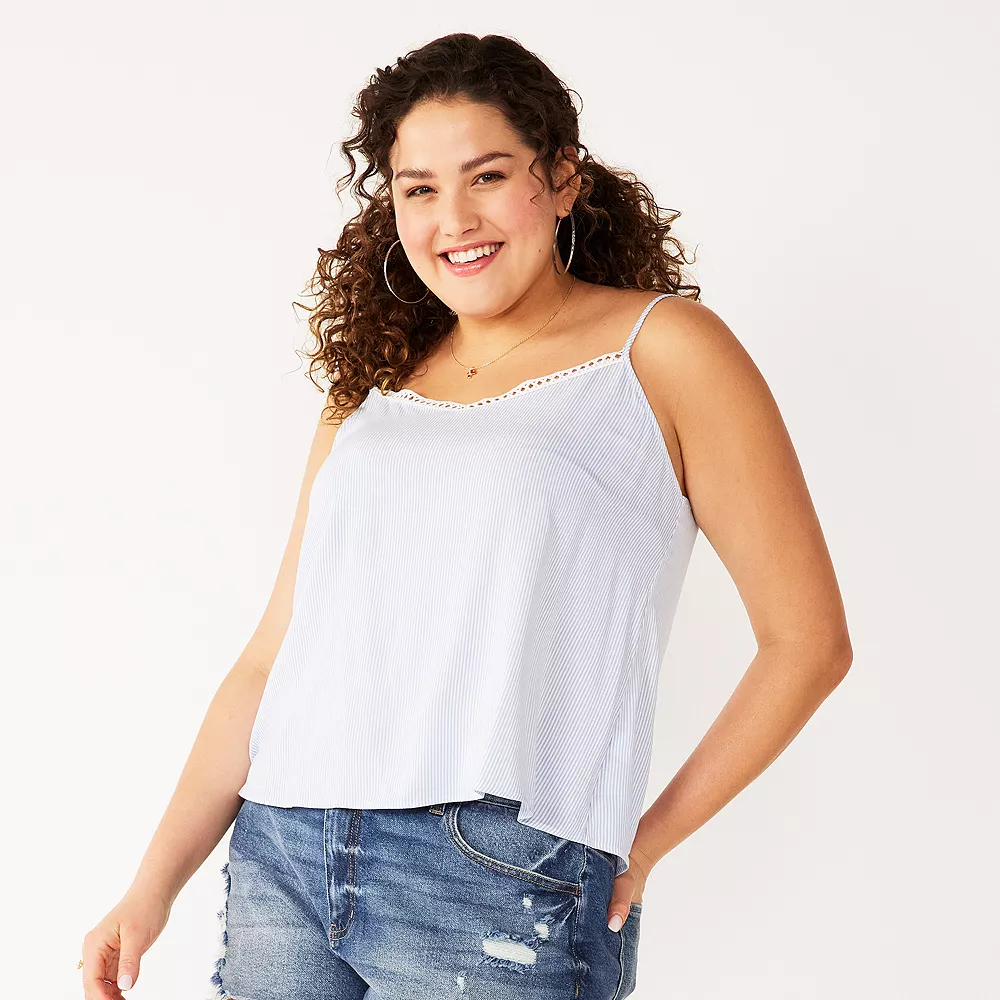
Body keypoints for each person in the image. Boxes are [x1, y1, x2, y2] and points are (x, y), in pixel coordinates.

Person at [79, 32, 852, 1000]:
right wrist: (151, 885)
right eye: (419, 188)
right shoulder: (372, 387)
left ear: (561, 179)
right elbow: (273, 658)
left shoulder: (662, 351)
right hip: (284, 846)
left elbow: (807, 642)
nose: (454, 219)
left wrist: (641, 842)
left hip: (497, 864)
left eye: (487, 176)